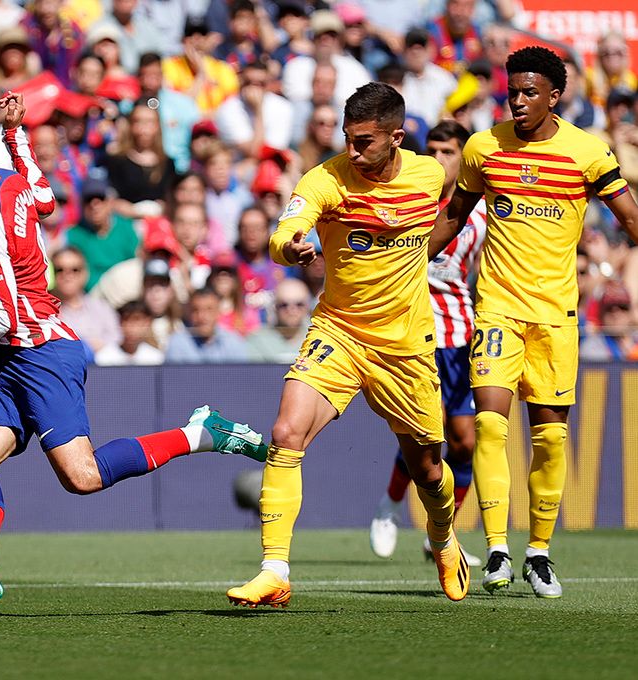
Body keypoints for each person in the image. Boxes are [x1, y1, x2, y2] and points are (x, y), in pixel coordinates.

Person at [0, 93, 267, 611]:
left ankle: (201, 432)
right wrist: (15, 138)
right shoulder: (9, 180)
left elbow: (0, 317)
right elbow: (46, 199)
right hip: (12, 358)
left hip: (41, 353)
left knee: (82, 477)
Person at [227, 82, 468, 609]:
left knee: (427, 467)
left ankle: (445, 538)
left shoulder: (430, 176)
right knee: (286, 430)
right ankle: (274, 570)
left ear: (396, 138)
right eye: (347, 139)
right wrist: (291, 247)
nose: (353, 151)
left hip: (405, 346)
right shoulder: (326, 179)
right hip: (338, 331)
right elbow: (285, 229)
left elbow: (452, 217)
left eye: (364, 141)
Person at [429, 46, 638, 598]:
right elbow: (454, 216)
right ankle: (497, 548)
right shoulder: (484, 147)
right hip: (497, 307)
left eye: (529, 93)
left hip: (557, 318)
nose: (517, 102)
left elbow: (631, 218)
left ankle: (539, 552)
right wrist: (406, 257)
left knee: (549, 437)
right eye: (512, 92)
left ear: (554, 96)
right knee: (491, 425)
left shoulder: (588, 153)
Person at [369, 120, 487, 566]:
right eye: (432, 150)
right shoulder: (410, 197)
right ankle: (390, 507)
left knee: (465, 444)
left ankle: (442, 534)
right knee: (427, 430)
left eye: (447, 152)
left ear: (464, 159)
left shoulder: (481, 213)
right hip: (413, 332)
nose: (437, 160)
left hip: (459, 334)